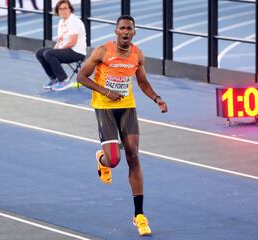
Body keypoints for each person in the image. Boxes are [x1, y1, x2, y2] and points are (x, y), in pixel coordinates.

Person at [77, 15, 168, 236]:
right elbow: (81, 76)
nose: (126, 32)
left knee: (133, 154)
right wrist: (106, 91)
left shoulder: (137, 54)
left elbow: (143, 82)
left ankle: (139, 216)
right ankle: (102, 159)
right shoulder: (102, 52)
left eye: (129, 29)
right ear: (116, 31)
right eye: (122, 28)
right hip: (105, 108)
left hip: (127, 107)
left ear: (134, 33)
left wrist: (157, 99)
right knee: (114, 161)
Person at [36, 0, 86, 91]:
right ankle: (54, 78)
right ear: (57, 11)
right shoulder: (61, 22)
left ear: (70, 9)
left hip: (77, 52)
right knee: (40, 52)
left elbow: (72, 42)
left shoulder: (74, 21)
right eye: (60, 9)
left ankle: (64, 80)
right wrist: (55, 49)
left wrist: (55, 51)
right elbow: (60, 40)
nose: (63, 11)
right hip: (66, 50)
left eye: (65, 8)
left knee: (49, 53)